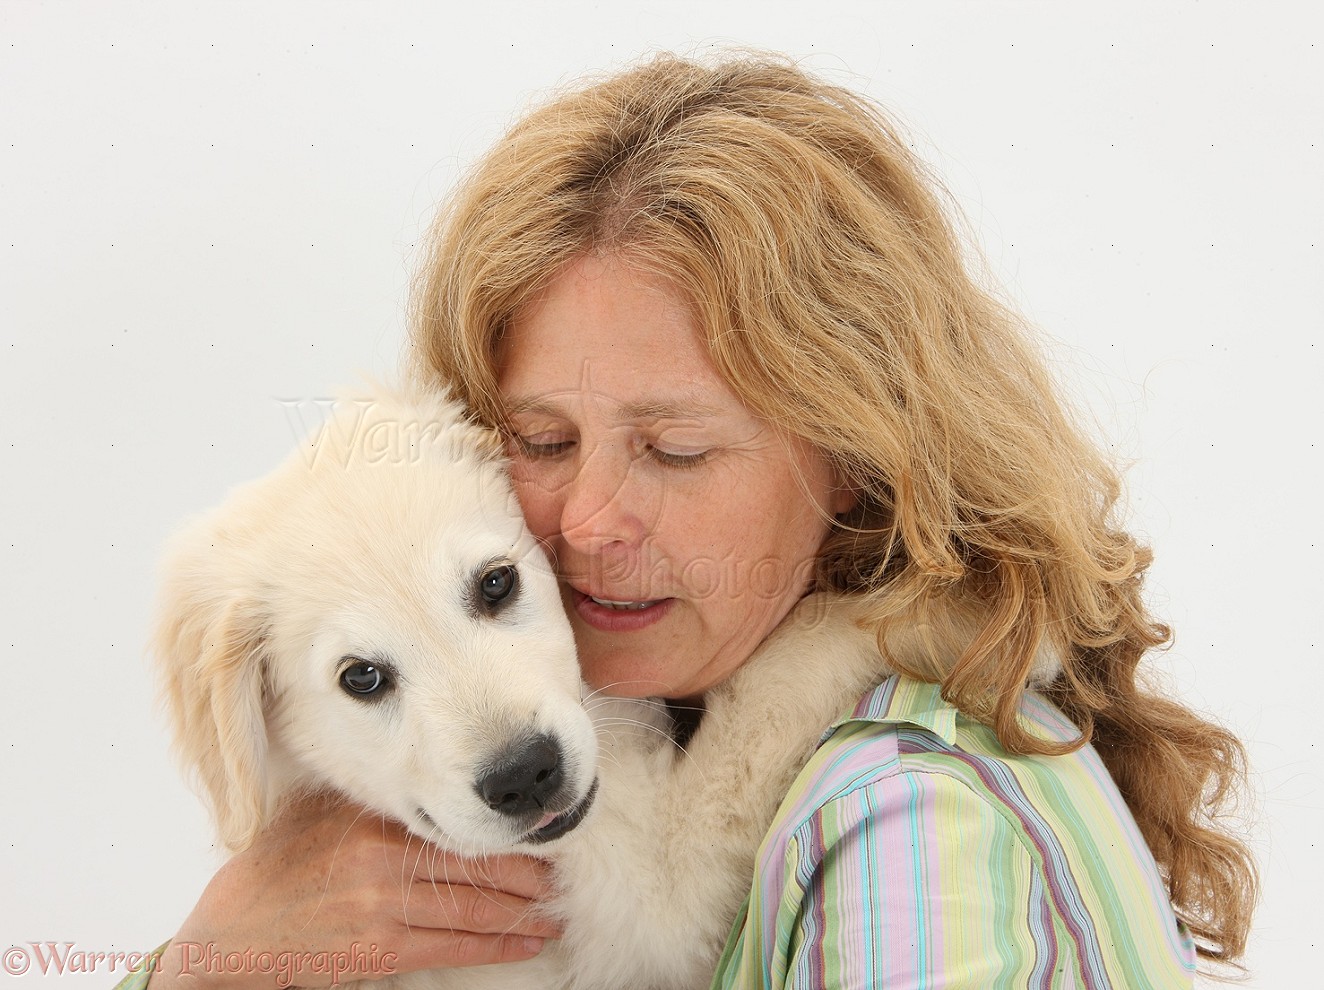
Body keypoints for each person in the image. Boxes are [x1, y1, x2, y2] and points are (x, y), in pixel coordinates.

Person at [124, 52, 1256, 989]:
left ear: (859, 452)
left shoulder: (912, 833)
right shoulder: (627, 707)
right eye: (544, 442)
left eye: (675, 448)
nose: (589, 524)